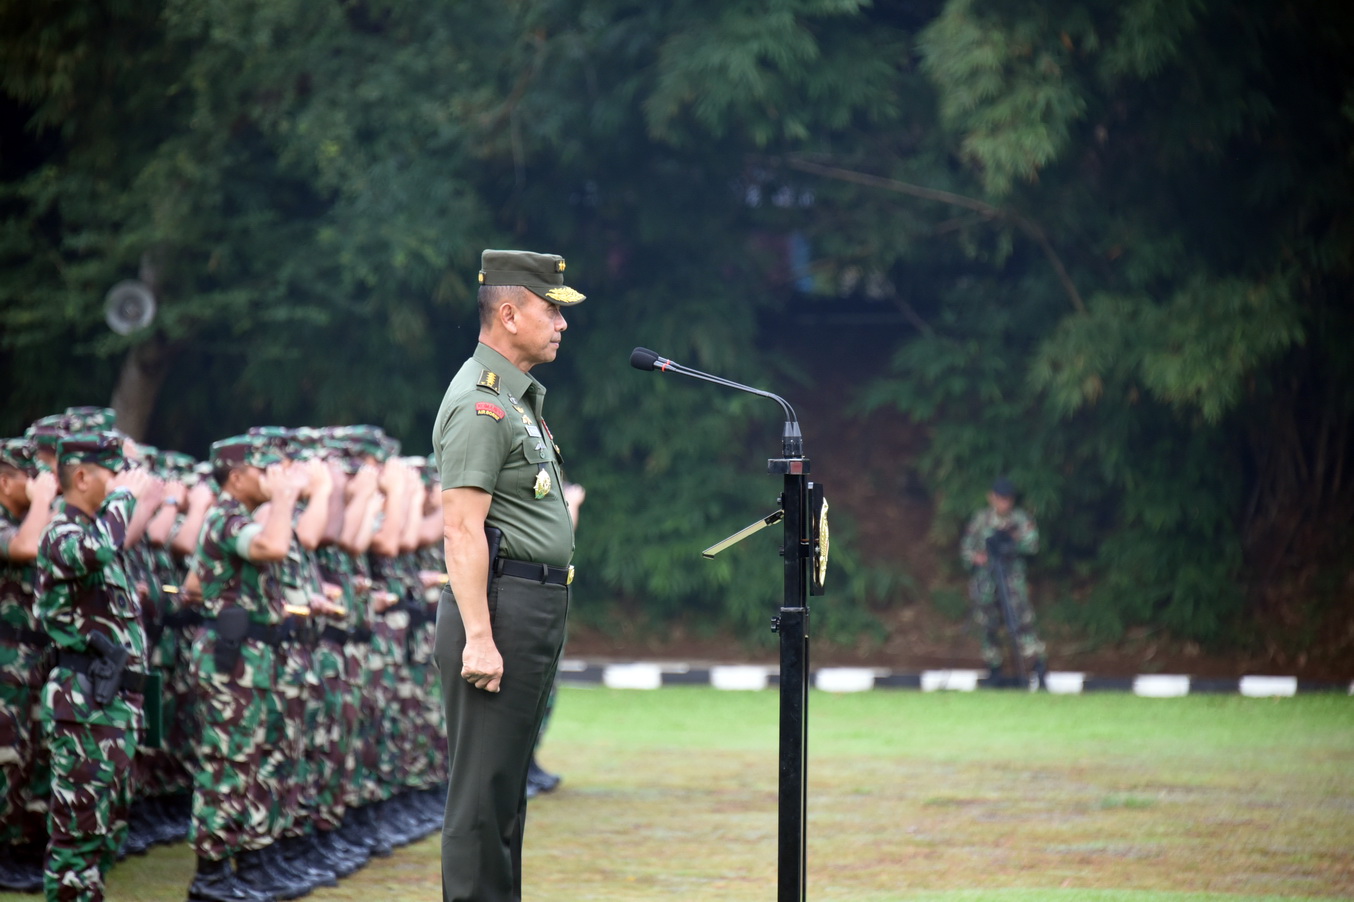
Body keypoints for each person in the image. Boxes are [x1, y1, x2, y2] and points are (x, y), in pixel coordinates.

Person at [431, 248, 584, 902]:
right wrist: (479, 637)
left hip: (528, 607)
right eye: (553, 309)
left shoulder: (516, 402)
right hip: (500, 609)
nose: (562, 324)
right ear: (510, 312)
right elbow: (461, 529)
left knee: (504, 797)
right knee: (480, 801)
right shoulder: (481, 405)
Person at [183, 435, 304, 902]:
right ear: (236, 477)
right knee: (226, 763)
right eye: (263, 470)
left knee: (256, 763)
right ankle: (210, 874)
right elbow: (272, 548)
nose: (274, 477)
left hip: (255, 659)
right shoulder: (225, 517)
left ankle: (249, 863)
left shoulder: (242, 518)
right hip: (232, 660)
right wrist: (287, 497)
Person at [34, 433, 151, 901]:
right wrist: (127, 497)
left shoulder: (97, 534)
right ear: (82, 476)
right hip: (83, 704)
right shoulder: (62, 533)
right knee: (77, 830)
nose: (122, 482)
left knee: (103, 827)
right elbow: (97, 549)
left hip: (111, 702)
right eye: (112, 474)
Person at [0, 438, 58, 892]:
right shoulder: (11, 524)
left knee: (34, 752)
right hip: (6, 658)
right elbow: (25, 548)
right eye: (31, 478)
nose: (43, 485)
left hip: (34, 658)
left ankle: (23, 846)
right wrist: (43, 502)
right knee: (5, 756)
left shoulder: (33, 518)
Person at [960, 476, 1047, 687]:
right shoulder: (981, 520)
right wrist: (977, 557)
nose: (1004, 503)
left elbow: (1033, 544)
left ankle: (1038, 669)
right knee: (986, 624)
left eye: (1008, 499)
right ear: (991, 498)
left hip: (1012, 579)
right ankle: (994, 670)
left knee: (1021, 622)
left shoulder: (1020, 519)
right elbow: (966, 548)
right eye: (1000, 498)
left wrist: (1012, 544)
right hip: (986, 579)